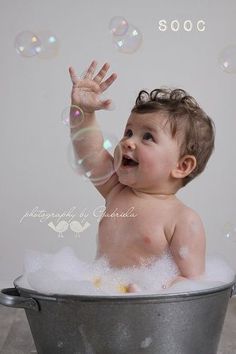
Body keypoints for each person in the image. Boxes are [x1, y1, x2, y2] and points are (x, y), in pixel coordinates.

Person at [68, 60, 215, 292]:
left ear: (182, 166)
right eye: (128, 132)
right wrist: (84, 113)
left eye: (147, 137)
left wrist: (153, 291)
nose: (127, 141)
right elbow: (90, 153)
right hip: (102, 296)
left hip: (148, 312)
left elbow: (193, 286)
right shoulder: (116, 190)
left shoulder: (183, 220)